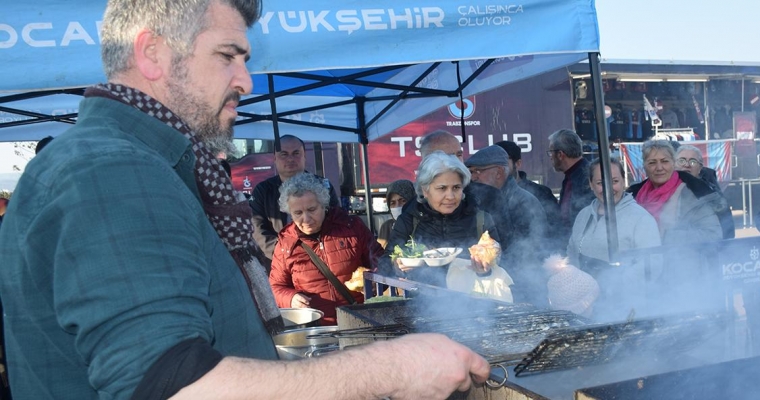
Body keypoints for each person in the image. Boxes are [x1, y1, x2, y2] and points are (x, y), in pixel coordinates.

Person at [0, 1, 490, 399]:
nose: (246, 81)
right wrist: (389, 368)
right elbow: (172, 386)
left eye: (245, 60)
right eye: (226, 56)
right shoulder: (114, 169)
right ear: (152, 52)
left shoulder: (142, 164)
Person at [269, 173, 385, 325]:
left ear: (323, 205)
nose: (306, 219)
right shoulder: (286, 243)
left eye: (312, 209)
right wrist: (290, 298)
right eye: (298, 213)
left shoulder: (351, 227)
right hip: (317, 327)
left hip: (360, 321)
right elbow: (275, 287)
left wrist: (375, 280)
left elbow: (382, 263)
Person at [383, 152, 500, 287]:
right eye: (442, 188)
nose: (450, 196)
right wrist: (397, 265)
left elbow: (504, 262)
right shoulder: (409, 220)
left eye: (456, 187)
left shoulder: (481, 219)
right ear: (425, 190)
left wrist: (486, 269)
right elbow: (385, 263)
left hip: (473, 296)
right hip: (421, 298)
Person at [465, 145, 548, 303]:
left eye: (478, 171)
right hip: (498, 284)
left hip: (522, 289)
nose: (473, 177)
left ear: (498, 172)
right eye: (471, 172)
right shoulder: (486, 200)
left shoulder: (524, 203)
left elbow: (528, 252)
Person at [250, 134, 339, 272]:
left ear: (304, 156)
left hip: (322, 263)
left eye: (296, 153)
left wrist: (315, 253)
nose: (290, 159)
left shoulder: (323, 186)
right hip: (279, 266)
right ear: (275, 158)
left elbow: (337, 223)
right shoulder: (262, 191)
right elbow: (258, 231)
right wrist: (288, 255)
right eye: (284, 154)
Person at [567, 157, 661, 271]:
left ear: (623, 181)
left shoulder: (642, 219)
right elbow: (572, 254)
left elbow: (653, 265)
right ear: (591, 184)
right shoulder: (583, 215)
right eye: (600, 183)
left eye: (614, 181)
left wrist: (614, 281)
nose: (608, 188)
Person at [626, 140, 724, 244]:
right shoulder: (633, 195)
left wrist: (666, 236)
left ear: (673, 164)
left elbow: (713, 234)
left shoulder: (692, 193)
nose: (659, 168)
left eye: (664, 161)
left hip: (681, 254)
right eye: (652, 162)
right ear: (644, 166)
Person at [495, 140, 560, 229]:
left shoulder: (541, 193)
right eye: (493, 165)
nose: (498, 169)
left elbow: (556, 229)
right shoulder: (489, 195)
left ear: (518, 164)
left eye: (503, 163)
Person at [674, 144, 735, 239]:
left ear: (700, 168)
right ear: (674, 164)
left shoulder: (712, 195)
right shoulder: (663, 190)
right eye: (681, 161)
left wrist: (672, 236)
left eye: (693, 161)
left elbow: (726, 232)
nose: (687, 165)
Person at [548, 129, 593, 249]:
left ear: (560, 154)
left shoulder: (587, 176)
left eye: (551, 152)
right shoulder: (571, 176)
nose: (550, 157)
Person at [377, 179, 416, 247]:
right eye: (393, 203)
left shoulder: (422, 225)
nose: (397, 206)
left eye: (403, 201)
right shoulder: (387, 226)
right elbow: (380, 251)